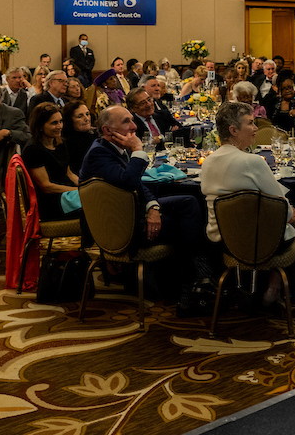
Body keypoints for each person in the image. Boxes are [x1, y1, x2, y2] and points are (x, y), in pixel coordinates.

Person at [79, 106, 207, 301]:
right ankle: (193, 281)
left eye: (132, 120)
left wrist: (153, 207)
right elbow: (129, 181)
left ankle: (197, 273)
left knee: (189, 202)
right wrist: (138, 150)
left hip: (132, 210)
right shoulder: (100, 154)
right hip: (121, 226)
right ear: (107, 130)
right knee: (185, 224)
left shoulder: (113, 148)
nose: (133, 126)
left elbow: (138, 183)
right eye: (126, 122)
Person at [200, 101, 295, 305]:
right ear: (233, 130)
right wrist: (291, 216)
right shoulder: (252, 162)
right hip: (260, 245)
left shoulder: (208, 161)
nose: (256, 128)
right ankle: (276, 287)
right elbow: (284, 210)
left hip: (225, 242)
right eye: (251, 123)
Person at [22, 102, 82, 221]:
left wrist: (85, 186)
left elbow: (69, 173)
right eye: (54, 123)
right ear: (40, 126)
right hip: (53, 203)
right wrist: (79, 191)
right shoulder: (33, 150)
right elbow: (46, 186)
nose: (60, 126)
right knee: (95, 202)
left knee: (99, 195)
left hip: (69, 194)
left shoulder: (60, 143)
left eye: (60, 121)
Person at [61, 100, 96, 176]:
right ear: (69, 120)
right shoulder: (66, 142)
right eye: (80, 116)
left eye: (87, 114)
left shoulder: (95, 135)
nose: (87, 119)